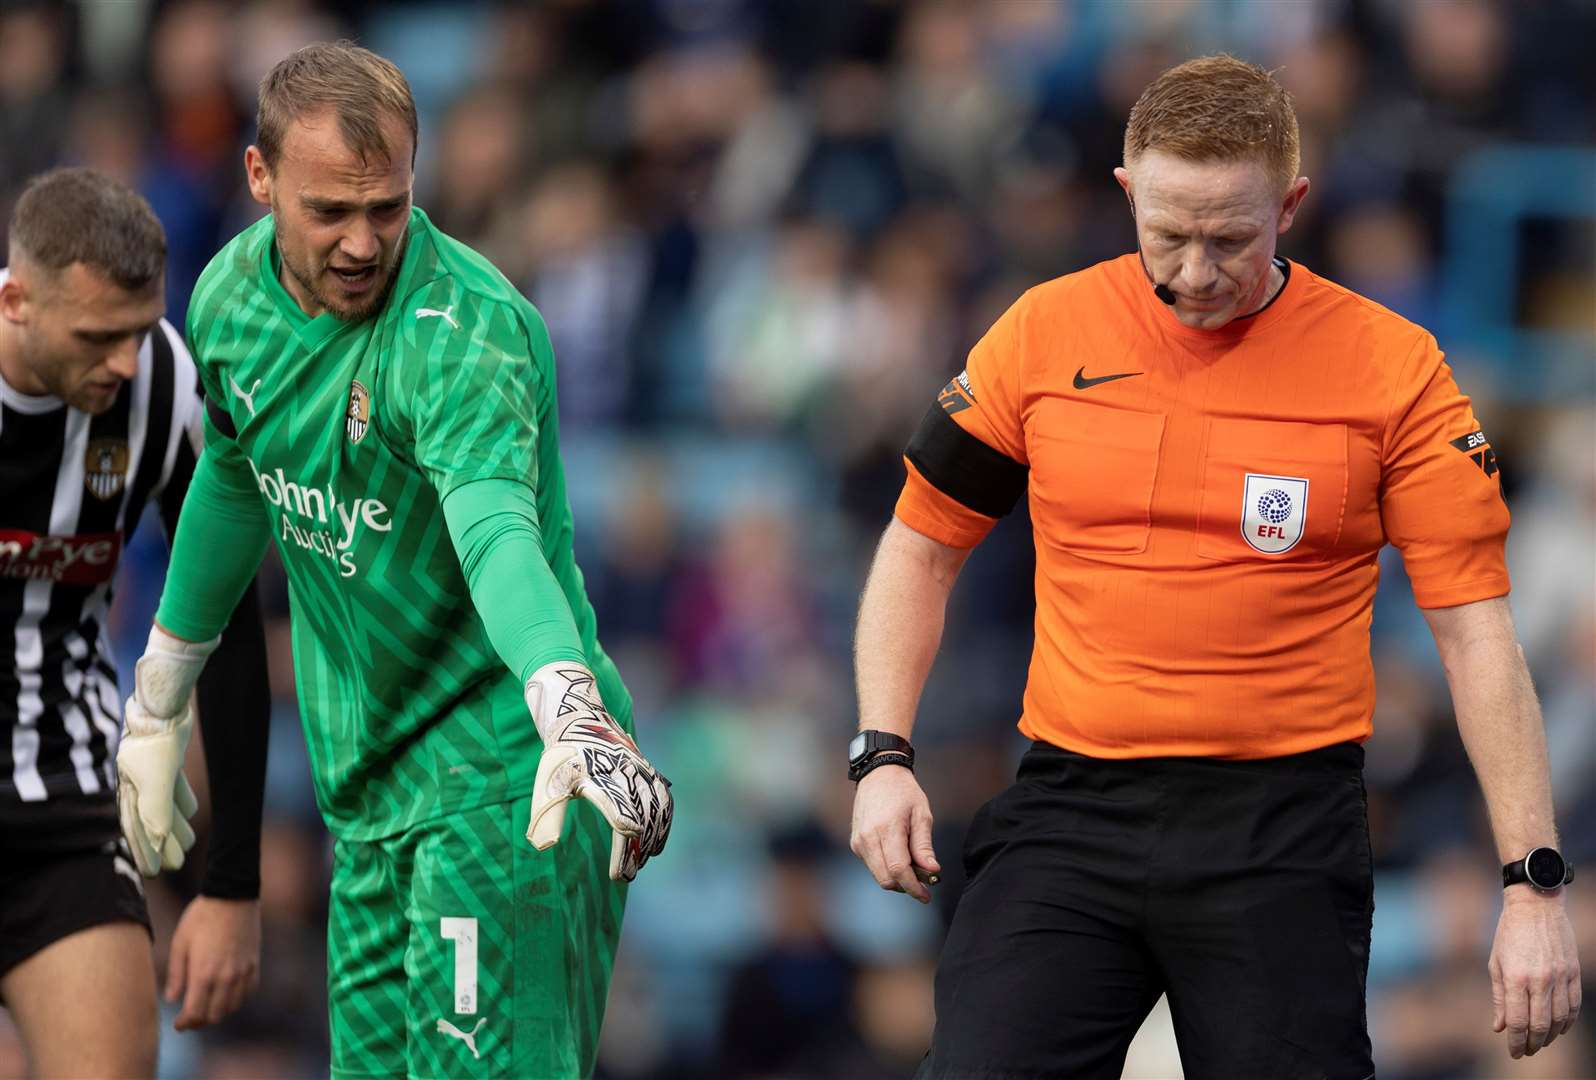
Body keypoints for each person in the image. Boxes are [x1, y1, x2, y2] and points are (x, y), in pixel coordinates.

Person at [847, 55, 1580, 1079]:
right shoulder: (1040, 333)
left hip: (1281, 832)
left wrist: (1532, 888)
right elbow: (921, 545)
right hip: (1071, 810)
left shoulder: (1394, 371)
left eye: (1230, 239)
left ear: (1293, 203)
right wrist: (883, 754)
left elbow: (1474, 631)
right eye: (1167, 235)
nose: (1194, 273)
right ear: (1125, 193)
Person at [116, 42, 674, 1079]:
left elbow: (497, 532)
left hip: (508, 777)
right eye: (330, 211)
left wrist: (567, 696)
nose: (365, 242)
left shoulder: (465, 334)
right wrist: (162, 691)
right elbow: (236, 478)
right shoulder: (229, 299)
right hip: (367, 794)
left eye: (390, 205)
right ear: (260, 179)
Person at [0, 167, 270, 1077]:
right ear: (16, 301)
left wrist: (231, 884)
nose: (123, 362)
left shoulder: (164, 385)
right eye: (96, 336)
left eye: (138, 330)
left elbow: (225, 620)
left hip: (59, 797)